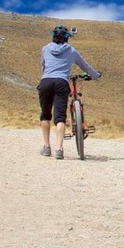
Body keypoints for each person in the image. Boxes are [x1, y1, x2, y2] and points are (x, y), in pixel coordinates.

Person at [38, 25, 100, 159]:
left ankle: (47, 147)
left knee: (45, 115)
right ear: (67, 38)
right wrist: (96, 75)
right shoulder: (72, 51)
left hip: (46, 81)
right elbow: (85, 66)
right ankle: (59, 150)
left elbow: (43, 66)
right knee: (60, 117)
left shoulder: (45, 49)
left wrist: (48, 75)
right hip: (61, 82)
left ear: (53, 36)